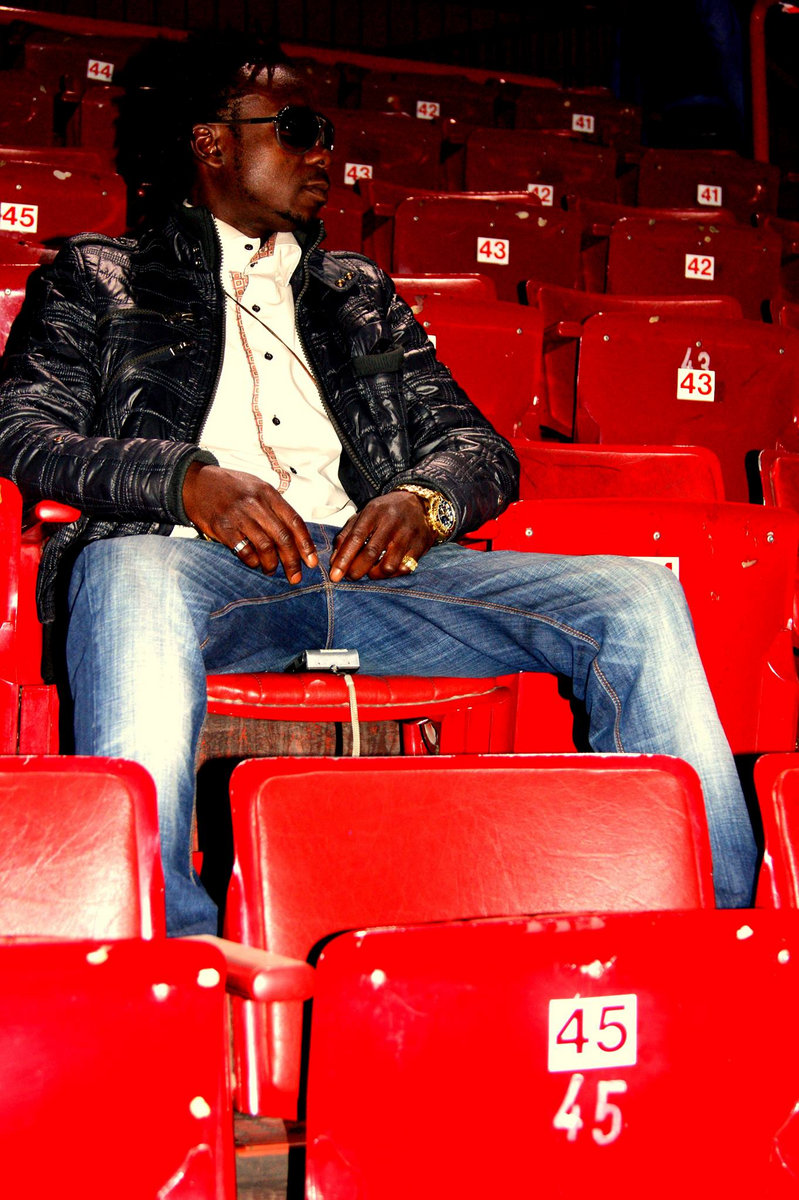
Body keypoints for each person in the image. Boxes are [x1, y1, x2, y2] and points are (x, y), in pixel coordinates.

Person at [0, 34, 756, 933]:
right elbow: (24, 432)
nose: (326, 152)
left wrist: (422, 500)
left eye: (326, 132)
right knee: (127, 570)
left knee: (636, 595)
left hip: (370, 570)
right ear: (211, 142)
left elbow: (477, 446)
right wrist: (183, 480)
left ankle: (717, 926)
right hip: (194, 568)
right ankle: (159, 935)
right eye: (297, 128)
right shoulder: (98, 275)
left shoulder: (355, 291)